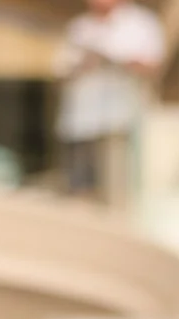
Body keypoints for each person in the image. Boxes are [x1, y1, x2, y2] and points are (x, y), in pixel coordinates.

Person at [54, 0, 163, 204]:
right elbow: (60, 72)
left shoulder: (140, 24)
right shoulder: (79, 27)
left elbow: (153, 67)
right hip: (81, 122)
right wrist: (85, 64)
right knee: (81, 196)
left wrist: (119, 61)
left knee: (118, 194)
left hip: (121, 122)